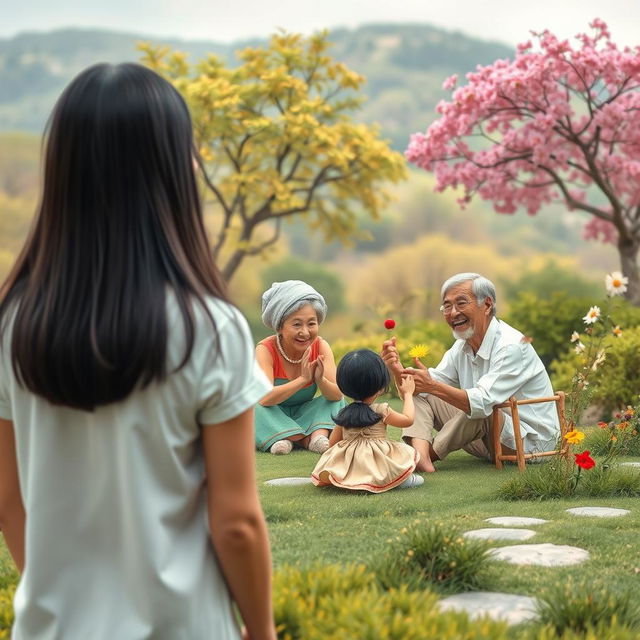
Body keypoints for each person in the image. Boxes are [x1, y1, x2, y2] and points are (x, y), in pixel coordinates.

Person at [0, 63, 277, 640]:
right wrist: (262, 631)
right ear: (172, 170)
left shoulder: (11, 323)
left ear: (63, 169)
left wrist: (64, 605)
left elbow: (10, 503)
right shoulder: (211, 327)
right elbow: (237, 524)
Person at [382, 272, 559, 473]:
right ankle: (421, 458)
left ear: (487, 305)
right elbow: (426, 387)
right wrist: (396, 370)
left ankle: (422, 456)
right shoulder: (461, 346)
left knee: (483, 407)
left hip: (530, 444)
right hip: (487, 441)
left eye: (461, 303)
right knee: (421, 391)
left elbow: (482, 402)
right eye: (447, 306)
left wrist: (431, 385)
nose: (453, 312)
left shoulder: (511, 346)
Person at [311, 349, 424, 492]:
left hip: (351, 467)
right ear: (380, 385)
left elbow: (332, 445)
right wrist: (408, 394)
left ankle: (349, 479)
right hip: (378, 465)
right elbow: (408, 420)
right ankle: (394, 481)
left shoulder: (344, 414)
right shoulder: (381, 410)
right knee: (402, 465)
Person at [255, 280, 345, 455]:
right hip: (271, 414)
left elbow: (337, 394)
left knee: (336, 401)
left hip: (306, 412)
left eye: (311, 323)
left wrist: (320, 380)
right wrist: (303, 379)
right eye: (297, 324)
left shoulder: (321, 346)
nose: (305, 332)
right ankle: (303, 439)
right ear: (280, 327)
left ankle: (310, 436)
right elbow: (265, 399)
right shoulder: (265, 349)